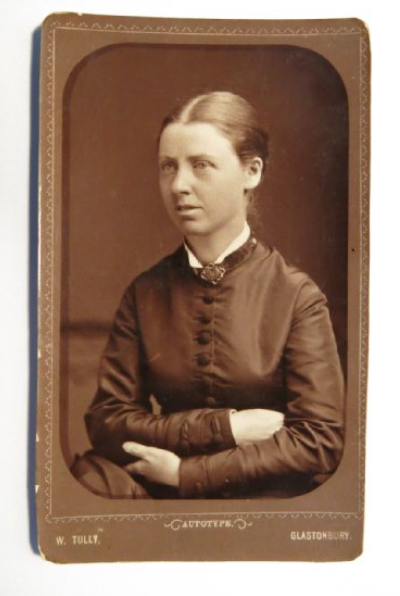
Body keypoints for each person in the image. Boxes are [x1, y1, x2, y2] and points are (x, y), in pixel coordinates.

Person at [71, 91, 344, 499]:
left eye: (201, 165)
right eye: (169, 166)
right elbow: (107, 422)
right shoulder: (145, 293)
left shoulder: (296, 296)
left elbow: (320, 440)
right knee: (91, 479)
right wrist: (226, 427)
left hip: (264, 497)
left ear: (251, 171)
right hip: (163, 488)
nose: (179, 185)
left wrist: (188, 473)